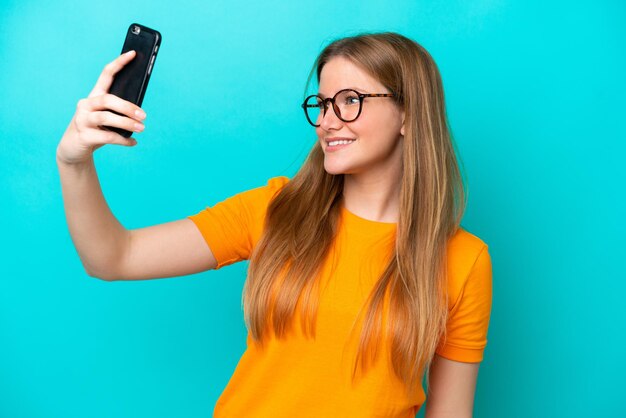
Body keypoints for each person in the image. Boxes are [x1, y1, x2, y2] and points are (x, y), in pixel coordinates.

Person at [56, 31, 492, 418]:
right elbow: (112, 257)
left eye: (350, 101)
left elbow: (451, 410)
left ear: (409, 114)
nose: (327, 121)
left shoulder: (463, 260)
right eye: (321, 103)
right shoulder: (275, 211)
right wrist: (73, 161)